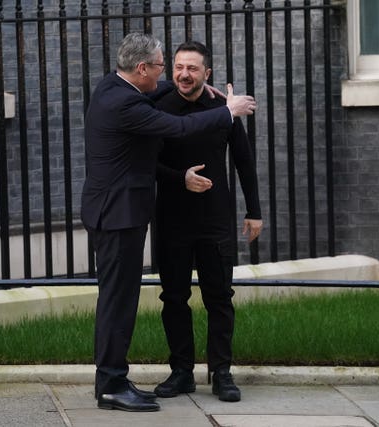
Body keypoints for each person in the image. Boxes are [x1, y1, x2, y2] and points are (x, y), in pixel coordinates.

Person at [80, 33, 256, 412]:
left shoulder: (112, 86)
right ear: (142, 68)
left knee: (120, 300)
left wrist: (201, 87)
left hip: (116, 213)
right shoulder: (126, 105)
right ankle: (111, 383)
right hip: (118, 216)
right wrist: (230, 109)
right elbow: (178, 128)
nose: (168, 76)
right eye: (164, 67)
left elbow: (158, 93)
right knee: (117, 303)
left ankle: (114, 379)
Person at [153, 41, 263, 402]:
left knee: (219, 298)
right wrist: (178, 178)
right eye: (179, 67)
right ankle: (181, 372)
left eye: (193, 68)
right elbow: (146, 165)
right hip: (171, 219)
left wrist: (254, 211)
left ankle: (222, 372)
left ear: (207, 74)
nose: (185, 74)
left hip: (215, 218)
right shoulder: (158, 106)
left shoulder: (222, 107)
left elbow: (244, 160)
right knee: (174, 298)